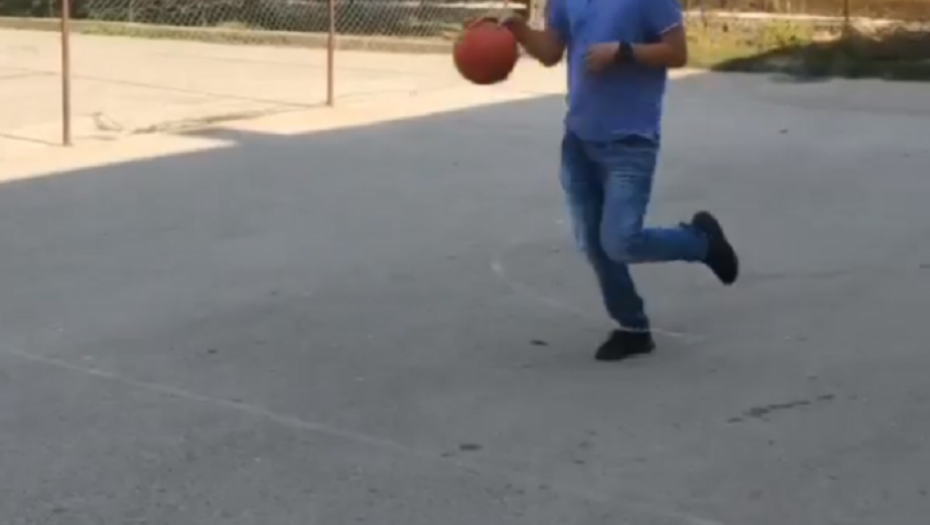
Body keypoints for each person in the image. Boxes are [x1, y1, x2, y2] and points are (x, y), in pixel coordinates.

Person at [501, 1, 739, 361]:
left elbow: (677, 53)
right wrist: (517, 28)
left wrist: (624, 51)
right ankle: (633, 327)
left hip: (630, 142)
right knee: (593, 244)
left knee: (622, 242)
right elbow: (550, 51)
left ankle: (701, 243)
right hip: (579, 140)